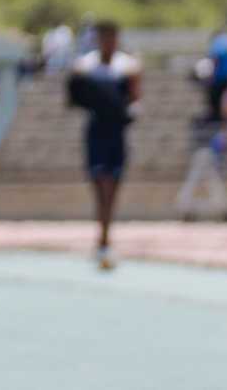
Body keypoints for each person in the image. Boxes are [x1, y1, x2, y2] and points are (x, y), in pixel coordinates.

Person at [67, 21, 141, 270]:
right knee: (100, 185)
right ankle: (103, 236)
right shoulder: (85, 66)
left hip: (116, 132)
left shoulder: (126, 66)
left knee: (113, 185)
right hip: (97, 132)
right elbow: (74, 97)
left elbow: (134, 97)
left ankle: (105, 236)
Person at [199, 27, 227, 123]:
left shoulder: (218, 42)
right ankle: (225, 116)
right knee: (225, 97)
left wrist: (212, 75)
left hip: (220, 76)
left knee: (214, 96)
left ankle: (216, 115)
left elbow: (215, 58)